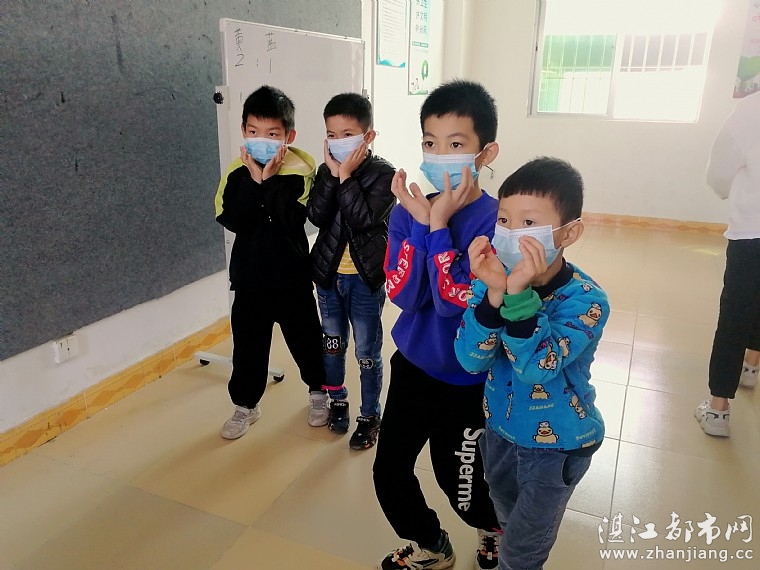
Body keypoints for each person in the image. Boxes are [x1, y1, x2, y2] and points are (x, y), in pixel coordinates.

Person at [455, 156, 609, 570]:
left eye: (528, 223)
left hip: (557, 447)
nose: (510, 234)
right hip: (500, 431)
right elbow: (470, 359)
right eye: (503, 220)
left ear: (568, 233)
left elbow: (536, 367)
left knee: (521, 554)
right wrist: (494, 295)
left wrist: (517, 296)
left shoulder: (586, 301)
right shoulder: (491, 281)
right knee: (506, 516)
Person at [373, 79, 501, 570]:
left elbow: (452, 304)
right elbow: (405, 295)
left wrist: (439, 225)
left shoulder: (497, 224)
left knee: (461, 485)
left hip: (468, 380)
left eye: (455, 144)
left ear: (486, 152)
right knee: (389, 472)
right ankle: (431, 543)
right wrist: (425, 222)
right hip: (413, 365)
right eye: (430, 143)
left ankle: (494, 528)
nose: (439, 156)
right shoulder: (409, 211)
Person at [214, 85, 327, 440]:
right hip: (249, 280)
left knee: (307, 341)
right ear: (243, 131)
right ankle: (245, 405)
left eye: (272, 134)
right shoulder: (236, 172)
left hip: (292, 277)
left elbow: (291, 220)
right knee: (248, 348)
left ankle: (319, 391)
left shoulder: (301, 171)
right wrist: (254, 181)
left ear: (288, 137)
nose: (261, 140)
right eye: (253, 131)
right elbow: (234, 219)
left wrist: (268, 182)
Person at [306, 93, 396, 449]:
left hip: (364, 280)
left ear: (368, 136)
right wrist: (332, 176)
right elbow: (316, 216)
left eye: (347, 134)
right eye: (331, 134)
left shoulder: (384, 174)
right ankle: (338, 400)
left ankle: (370, 415)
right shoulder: (325, 171)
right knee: (332, 345)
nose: (338, 142)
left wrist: (344, 177)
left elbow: (362, 219)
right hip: (329, 277)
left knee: (367, 353)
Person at [695, 91, 760, 437]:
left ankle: (718, 409)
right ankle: (752, 365)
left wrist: (728, 191)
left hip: (754, 231)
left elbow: (719, 172)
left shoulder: (751, 109)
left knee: (736, 312)